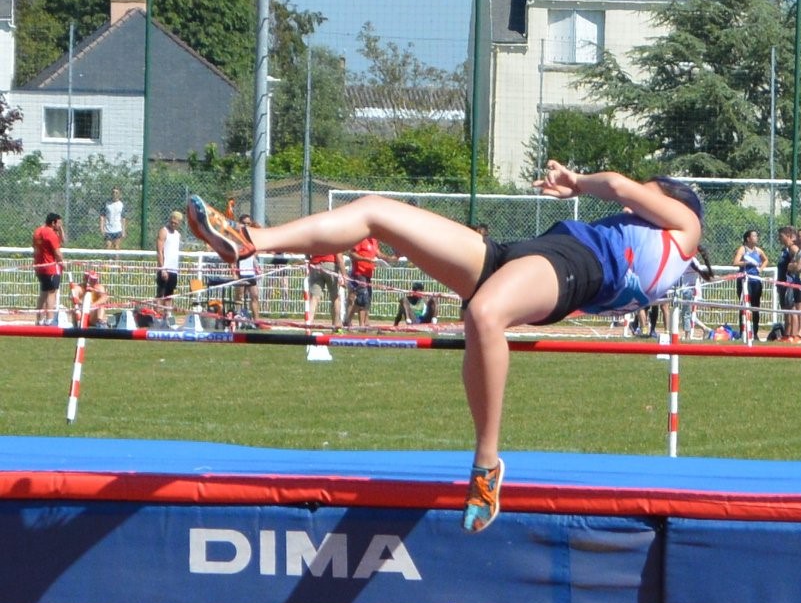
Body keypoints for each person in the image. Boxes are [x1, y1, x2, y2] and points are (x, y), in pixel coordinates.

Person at [186, 159, 703, 533]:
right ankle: (252, 241)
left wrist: (577, 183)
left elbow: (616, 185)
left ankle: (486, 464)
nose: (635, 198)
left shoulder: (686, 227)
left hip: (574, 268)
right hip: (527, 254)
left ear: (673, 200)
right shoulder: (650, 238)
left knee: (484, 313)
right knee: (375, 211)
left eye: (648, 192)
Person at [344, 236, 395, 328]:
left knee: (366, 299)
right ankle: (361, 325)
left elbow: (379, 254)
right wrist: (366, 259)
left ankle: (348, 320)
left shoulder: (374, 241)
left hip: (368, 274)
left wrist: (390, 258)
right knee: (363, 297)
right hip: (359, 273)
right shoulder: (361, 239)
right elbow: (351, 254)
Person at [731, 229, 769, 338]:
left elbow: (766, 260)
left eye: (757, 236)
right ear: (748, 238)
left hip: (755, 281)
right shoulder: (743, 249)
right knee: (744, 306)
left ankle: (755, 333)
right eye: (754, 236)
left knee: (756, 307)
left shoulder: (758, 250)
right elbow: (735, 262)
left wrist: (760, 269)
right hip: (744, 281)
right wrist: (746, 262)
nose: (756, 238)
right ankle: (743, 332)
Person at [32, 212, 65, 325]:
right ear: (53, 223)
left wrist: (60, 229)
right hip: (50, 267)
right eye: (59, 224)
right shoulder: (50, 233)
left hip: (39, 266)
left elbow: (36, 249)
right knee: (52, 293)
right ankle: (49, 319)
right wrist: (62, 263)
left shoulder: (37, 231)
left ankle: (39, 320)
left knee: (43, 293)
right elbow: (57, 252)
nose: (60, 226)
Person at [306, 251, 346, 331]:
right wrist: (344, 275)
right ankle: (336, 326)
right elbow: (339, 257)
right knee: (335, 298)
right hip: (330, 265)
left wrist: (309, 261)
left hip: (315, 265)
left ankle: (308, 325)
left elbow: (307, 251)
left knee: (314, 298)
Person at [235, 214, 262, 326]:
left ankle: (257, 321)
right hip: (240, 270)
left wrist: (257, 266)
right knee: (239, 296)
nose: (246, 225)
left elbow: (254, 253)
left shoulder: (252, 237)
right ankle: (237, 319)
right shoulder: (236, 237)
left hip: (250, 271)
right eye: (244, 223)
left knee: (254, 295)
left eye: (248, 223)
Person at [156, 211, 184, 319]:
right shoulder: (163, 231)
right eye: (172, 222)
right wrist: (162, 268)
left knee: (169, 294)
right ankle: (157, 316)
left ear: (179, 223)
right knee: (161, 294)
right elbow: (159, 251)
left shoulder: (178, 235)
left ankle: (167, 316)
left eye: (176, 223)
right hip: (165, 268)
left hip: (173, 269)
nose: (173, 224)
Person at [775, 226, 798, 338]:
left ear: (788, 236)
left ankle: (793, 334)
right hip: (782, 283)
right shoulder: (784, 250)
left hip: (789, 282)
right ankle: (787, 334)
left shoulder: (793, 248)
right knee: (785, 309)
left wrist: (792, 265)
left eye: (781, 236)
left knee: (791, 309)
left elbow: (798, 260)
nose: (779, 239)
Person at [99, 186, 127, 250]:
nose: (114, 194)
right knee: (108, 247)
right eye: (113, 192)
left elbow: (123, 218)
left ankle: (117, 257)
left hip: (118, 229)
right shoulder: (107, 204)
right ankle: (108, 257)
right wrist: (102, 228)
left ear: (119, 194)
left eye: (116, 193)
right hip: (108, 229)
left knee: (117, 247)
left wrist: (123, 231)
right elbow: (102, 216)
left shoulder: (121, 204)